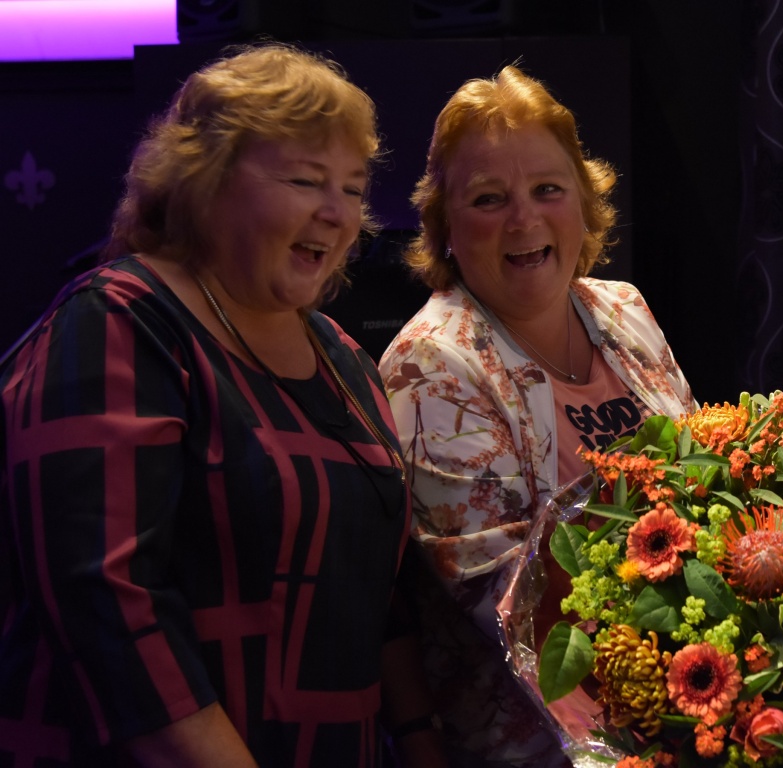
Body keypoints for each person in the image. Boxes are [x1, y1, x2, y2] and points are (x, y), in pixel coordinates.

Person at [0, 43, 445, 767]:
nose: (337, 213)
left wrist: (423, 741)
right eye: (306, 180)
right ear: (203, 180)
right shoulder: (121, 321)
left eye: (353, 188)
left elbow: (373, 591)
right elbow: (106, 607)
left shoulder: (346, 361)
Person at [378, 65, 696, 766]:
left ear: (584, 200)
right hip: (547, 742)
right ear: (445, 225)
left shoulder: (624, 308)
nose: (524, 220)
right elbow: (515, 608)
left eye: (548, 189)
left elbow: (706, 483)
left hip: (685, 701)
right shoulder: (430, 365)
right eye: (489, 199)